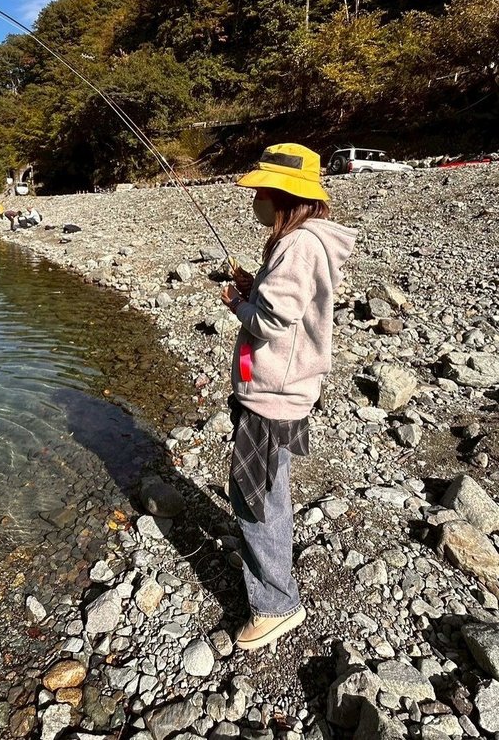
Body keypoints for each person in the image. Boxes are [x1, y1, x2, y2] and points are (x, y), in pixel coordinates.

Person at [220, 143, 357, 651]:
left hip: (272, 396)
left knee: (253, 497)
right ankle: (276, 581)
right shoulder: (309, 239)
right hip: (286, 389)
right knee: (270, 489)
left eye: (261, 190)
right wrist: (255, 286)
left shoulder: (297, 245)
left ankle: (276, 605)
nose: (254, 198)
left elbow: (274, 322)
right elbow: (289, 303)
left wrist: (239, 304)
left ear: (281, 196)